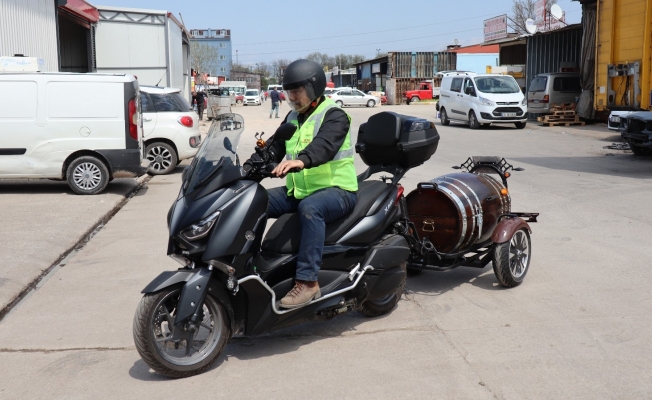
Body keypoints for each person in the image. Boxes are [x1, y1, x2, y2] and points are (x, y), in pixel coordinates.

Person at [247, 59, 358, 308]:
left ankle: (308, 282)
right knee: (254, 200)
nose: (292, 97)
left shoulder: (335, 115)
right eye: (289, 92)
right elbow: (274, 146)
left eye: (297, 91)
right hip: (299, 190)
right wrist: (249, 166)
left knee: (311, 208)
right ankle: (250, 266)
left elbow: (325, 145)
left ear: (313, 88)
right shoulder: (293, 116)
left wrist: (301, 161)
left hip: (338, 190)